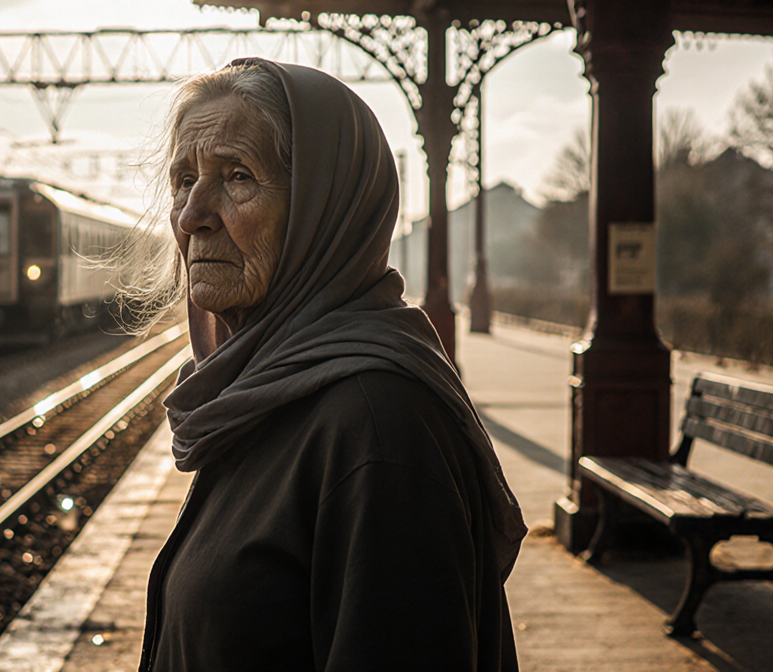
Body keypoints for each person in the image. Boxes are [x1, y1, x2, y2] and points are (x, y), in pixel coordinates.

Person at [128, 59, 527, 671]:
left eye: (237, 177)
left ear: (325, 210)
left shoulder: (376, 429)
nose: (191, 215)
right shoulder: (263, 396)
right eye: (184, 180)